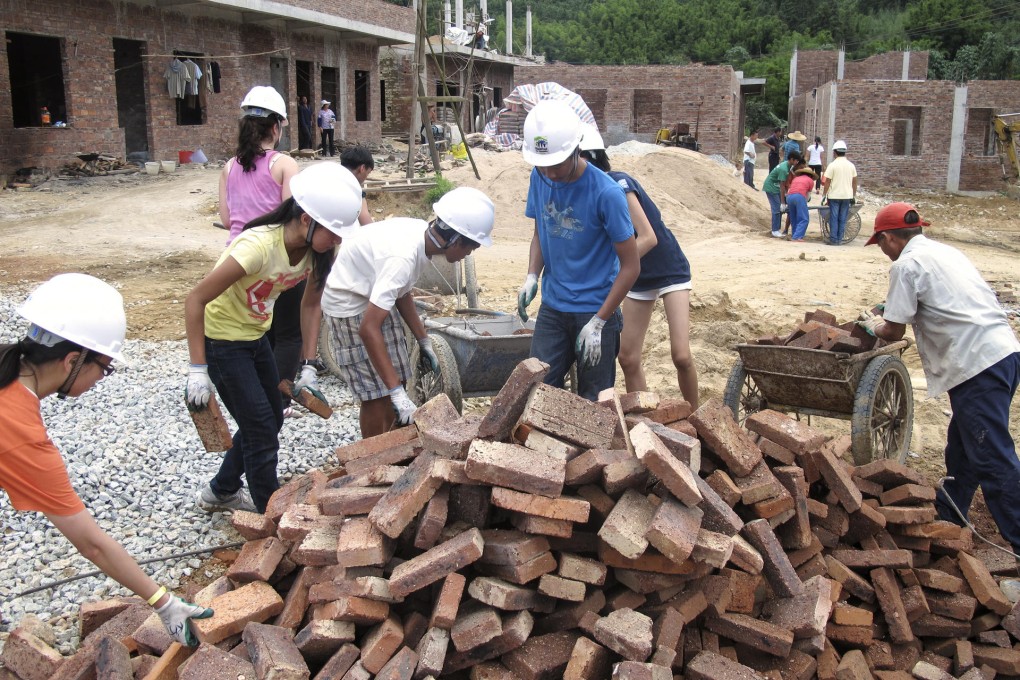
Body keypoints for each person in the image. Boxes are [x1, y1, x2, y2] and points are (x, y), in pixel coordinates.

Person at [1, 274, 213, 646]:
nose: (102, 378)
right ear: (71, 360)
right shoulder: (20, 435)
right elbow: (91, 543)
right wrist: (164, 603)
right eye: (105, 367)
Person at [186, 163, 363, 513]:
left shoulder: (316, 252)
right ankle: (272, 510)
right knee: (260, 427)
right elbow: (196, 299)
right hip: (222, 342)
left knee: (273, 416)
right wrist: (197, 368)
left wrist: (309, 365)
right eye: (333, 231)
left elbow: (312, 306)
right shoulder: (257, 247)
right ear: (305, 219)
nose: (337, 240)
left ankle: (221, 490)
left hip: (255, 337)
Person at [858, 202, 1020, 556]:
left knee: (992, 457)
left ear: (888, 238)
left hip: (977, 364)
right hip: (1003, 353)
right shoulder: (944, 252)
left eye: (880, 244)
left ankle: (1018, 541)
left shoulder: (906, 264)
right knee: (963, 446)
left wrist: (872, 324)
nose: (883, 251)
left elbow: (893, 330)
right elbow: (941, 298)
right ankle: (952, 515)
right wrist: (890, 307)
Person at [318, 187, 495, 437]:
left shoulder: (421, 237)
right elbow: (368, 329)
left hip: (371, 295)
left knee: (397, 378)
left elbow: (402, 293)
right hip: (347, 304)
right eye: (471, 247)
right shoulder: (402, 257)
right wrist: (397, 395)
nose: (469, 253)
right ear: (454, 239)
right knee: (377, 395)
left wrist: (424, 341)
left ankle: (392, 445)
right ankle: (371, 458)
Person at [517, 100, 640, 401]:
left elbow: (631, 266)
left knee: (593, 403)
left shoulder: (607, 194)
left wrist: (599, 322)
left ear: (576, 150)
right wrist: (533, 275)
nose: (551, 173)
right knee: (537, 393)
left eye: (557, 163)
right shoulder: (540, 176)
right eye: (543, 165)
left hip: (595, 308)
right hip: (554, 308)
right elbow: (541, 232)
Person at [579, 125, 698, 408]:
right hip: (639, 278)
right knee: (628, 357)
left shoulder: (618, 183)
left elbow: (648, 238)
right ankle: (648, 423)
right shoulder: (588, 197)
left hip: (669, 270)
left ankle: (697, 420)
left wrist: (616, 267)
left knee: (681, 355)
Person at [219, 86, 304, 416]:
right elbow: (291, 216)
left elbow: (227, 219)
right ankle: (278, 402)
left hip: (236, 259)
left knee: (257, 331)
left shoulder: (229, 167)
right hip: (274, 259)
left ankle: (256, 396)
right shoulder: (285, 164)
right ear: (276, 127)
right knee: (288, 335)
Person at [821, 139, 857, 246]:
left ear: (835, 152)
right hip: (847, 196)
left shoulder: (832, 165)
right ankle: (840, 240)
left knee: (834, 217)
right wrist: (853, 195)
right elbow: (854, 182)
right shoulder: (851, 165)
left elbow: (827, 181)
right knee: (843, 218)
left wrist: (824, 194)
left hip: (834, 196)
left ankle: (833, 240)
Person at [762, 151, 802, 238]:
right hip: (771, 187)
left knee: (779, 209)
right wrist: (783, 202)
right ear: (791, 159)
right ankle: (775, 230)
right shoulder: (784, 169)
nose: (796, 163)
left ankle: (777, 229)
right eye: (796, 161)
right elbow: (782, 186)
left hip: (775, 187)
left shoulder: (788, 166)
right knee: (776, 209)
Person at [340, 146, 375, 226]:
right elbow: (368, 226)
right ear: (362, 168)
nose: (366, 177)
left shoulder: (326, 180)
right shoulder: (356, 193)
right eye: (368, 173)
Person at [786, 166, 816, 242]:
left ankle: (794, 234)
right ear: (811, 175)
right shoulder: (810, 180)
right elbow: (807, 196)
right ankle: (797, 237)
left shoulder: (796, 178)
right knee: (804, 218)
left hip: (789, 197)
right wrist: (804, 203)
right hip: (799, 196)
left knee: (794, 217)